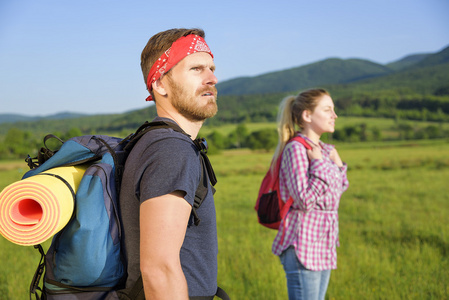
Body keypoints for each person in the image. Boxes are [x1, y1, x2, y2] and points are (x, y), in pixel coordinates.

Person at [118, 28, 227, 300]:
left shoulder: (156, 141)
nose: (212, 78)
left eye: (212, 68)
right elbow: (159, 269)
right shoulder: (171, 150)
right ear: (160, 84)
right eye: (196, 69)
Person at [271, 89, 349, 300]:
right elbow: (304, 200)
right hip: (304, 243)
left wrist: (336, 163)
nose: (335, 115)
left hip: (324, 241)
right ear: (307, 116)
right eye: (327, 110)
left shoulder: (324, 149)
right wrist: (318, 164)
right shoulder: (296, 149)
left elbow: (339, 191)